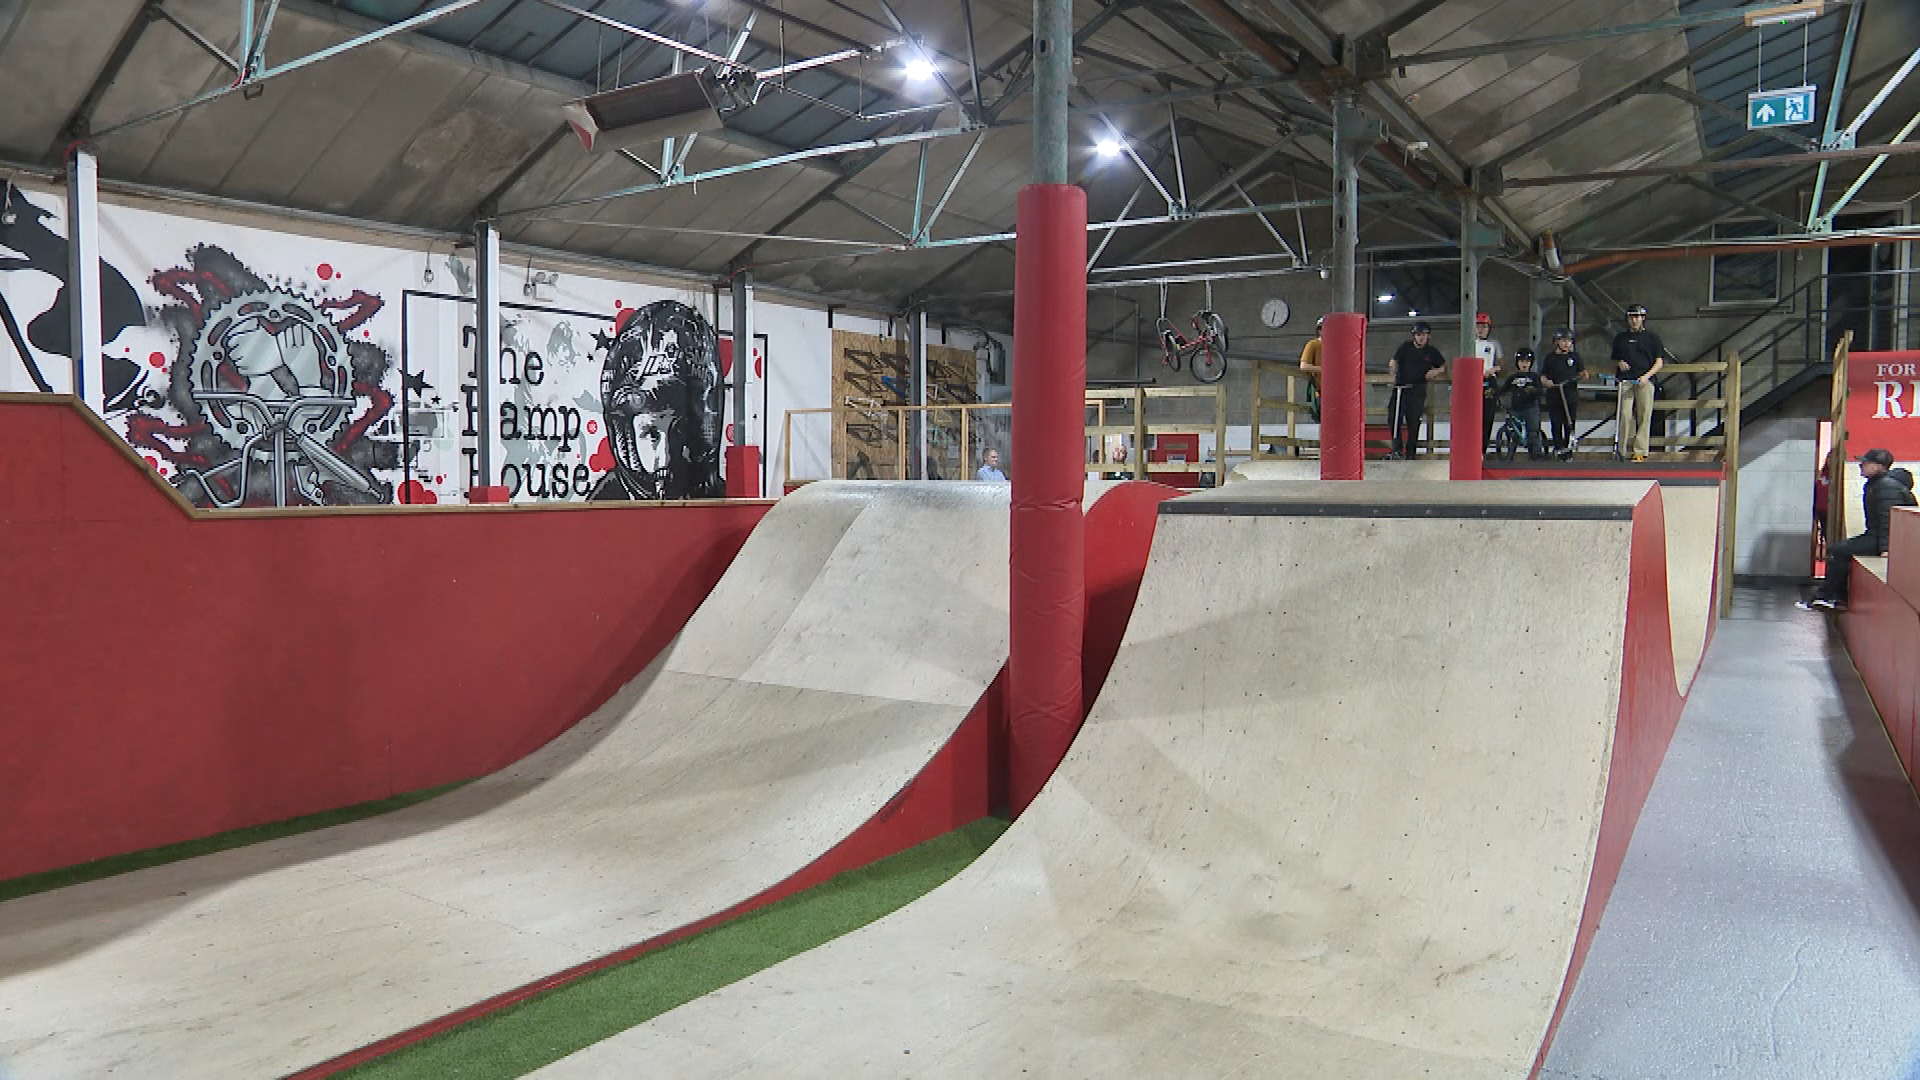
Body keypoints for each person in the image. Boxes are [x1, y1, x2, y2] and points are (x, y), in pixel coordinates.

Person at [589, 299, 724, 501]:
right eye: (651, 434)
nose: (666, 456)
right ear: (624, 437)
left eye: (680, 432)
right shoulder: (604, 505)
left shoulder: (714, 497)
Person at [1798, 448, 1917, 611]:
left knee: (1839, 551)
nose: (1861, 466)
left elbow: (1887, 520)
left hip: (1885, 539)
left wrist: (1885, 548)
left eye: (1865, 463)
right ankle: (1834, 596)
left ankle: (1829, 596)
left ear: (1877, 467)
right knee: (1838, 549)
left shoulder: (1885, 487)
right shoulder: (1878, 484)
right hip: (1877, 536)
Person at [1611, 303, 1669, 462]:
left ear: (1643, 318)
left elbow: (1659, 362)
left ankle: (1639, 451)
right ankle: (1621, 450)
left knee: (1644, 415)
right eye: (1631, 317)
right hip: (1626, 381)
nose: (1634, 320)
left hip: (1644, 381)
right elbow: (1615, 358)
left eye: (1637, 317)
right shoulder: (1620, 338)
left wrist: (1646, 376)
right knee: (1624, 415)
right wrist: (1619, 362)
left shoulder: (1652, 338)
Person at [1389, 321, 1447, 459]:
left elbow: (1443, 366)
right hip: (1401, 389)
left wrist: (1436, 371)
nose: (1421, 338)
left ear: (1428, 336)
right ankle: (1397, 449)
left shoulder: (1431, 352)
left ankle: (1411, 453)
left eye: (1424, 335)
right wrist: (1392, 373)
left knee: (1414, 422)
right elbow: (1393, 361)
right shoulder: (1405, 347)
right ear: (1414, 336)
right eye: (1419, 335)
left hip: (1417, 390)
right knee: (1394, 418)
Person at [1540, 329, 1585, 459]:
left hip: (1570, 395)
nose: (1566, 344)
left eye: (1569, 341)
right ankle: (1558, 448)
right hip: (1555, 395)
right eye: (1563, 340)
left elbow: (1583, 372)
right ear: (1556, 342)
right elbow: (1543, 376)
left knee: (1569, 424)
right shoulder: (1550, 358)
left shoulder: (1575, 357)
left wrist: (1582, 376)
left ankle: (1568, 450)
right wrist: (1547, 382)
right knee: (1556, 423)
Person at [1500, 348, 1547, 460]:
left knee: (1532, 432)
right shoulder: (1513, 377)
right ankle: (1510, 455)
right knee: (1513, 432)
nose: (1524, 364)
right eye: (1521, 361)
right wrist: (1493, 392)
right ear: (1517, 363)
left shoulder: (1534, 377)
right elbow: (1503, 390)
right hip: (1516, 409)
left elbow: (1541, 391)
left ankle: (1535, 455)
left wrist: (1533, 391)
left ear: (1531, 363)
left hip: (1530, 408)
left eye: (1527, 361)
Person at [1474, 312, 1504, 451]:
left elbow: (1502, 364)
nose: (1481, 330)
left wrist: (1493, 370)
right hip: (1474, 381)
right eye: (1478, 326)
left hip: (1489, 381)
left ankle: (1483, 449)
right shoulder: (1470, 344)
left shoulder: (1494, 344)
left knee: (1488, 415)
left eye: (1484, 327)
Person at [1299, 316, 1324, 421]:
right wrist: (1323, 370)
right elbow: (1304, 366)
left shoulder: (1337, 347)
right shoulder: (1313, 344)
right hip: (1320, 390)